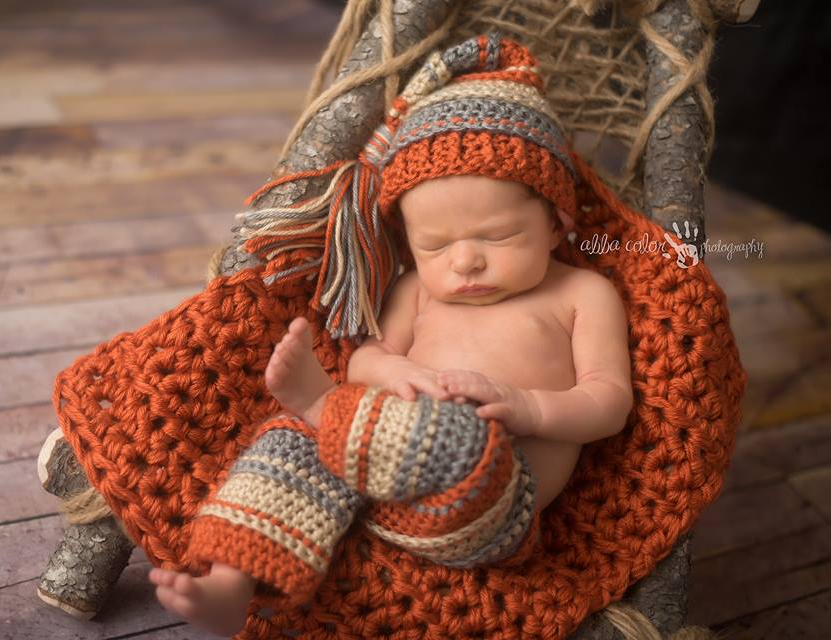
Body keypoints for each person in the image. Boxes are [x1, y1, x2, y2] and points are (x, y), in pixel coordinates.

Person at [148, 34, 633, 638]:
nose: (465, 263)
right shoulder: (417, 290)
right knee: (292, 440)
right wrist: (392, 372)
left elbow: (608, 400)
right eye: (435, 245)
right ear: (409, 243)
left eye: (499, 237)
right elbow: (368, 359)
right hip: (372, 481)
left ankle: (327, 413)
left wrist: (530, 408)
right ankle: (231, 579)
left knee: (460, 438)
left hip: (489, 500)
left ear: (557, 222)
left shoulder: (582, 295)